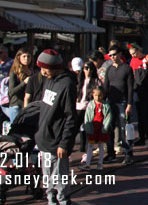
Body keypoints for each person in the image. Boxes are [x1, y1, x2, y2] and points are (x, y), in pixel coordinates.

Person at [35, 49, 77, 205]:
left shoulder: (67, 84)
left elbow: (70, 117)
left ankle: (63, 200)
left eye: (44, 68)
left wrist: (64, 143)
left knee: (59, 177)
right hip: (44, 138)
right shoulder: (48, 80)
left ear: (53, 67)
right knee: (47, 177)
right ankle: (51, 200)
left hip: (57, 141)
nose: (42, 72)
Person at [103, 45, 134, 164]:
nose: (112, 57)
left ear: (120, 54)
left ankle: (128, 152)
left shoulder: (126, 68)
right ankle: (111, 153)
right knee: (108, 128)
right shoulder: (109, 69)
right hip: (110, 102)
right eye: (110, 55)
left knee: (124, 129)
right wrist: (102, 102)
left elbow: (130, 88)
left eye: (114, 54)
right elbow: (106, 87)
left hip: (122, 101)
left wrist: (129, 104)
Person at [128, 44, 148, 148]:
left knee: (146, 114)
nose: (133, 56)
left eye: (134, 53)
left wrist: (143, 72)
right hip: (137, 88)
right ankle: (141, 137)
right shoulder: (133, 60)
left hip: (146, 88)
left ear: (139, 50)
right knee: (139, 114)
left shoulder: (147, 57)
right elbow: (130, 72)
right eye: (131, 54)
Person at [79, 87, 111, 171]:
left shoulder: (106, 105)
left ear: (103, 95)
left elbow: (108, 117)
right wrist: (87, 127)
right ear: (93, 95)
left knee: (101, 146)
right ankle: (87, 163)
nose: (98, 97)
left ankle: (100, 164)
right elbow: (87, 117)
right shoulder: (90, 105)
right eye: (96, 95)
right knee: (90, 146)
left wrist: (105, 128)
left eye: (100, 95)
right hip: (93, 128)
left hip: (101, 129)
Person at [76, 61, 102, 156]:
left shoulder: (96, 81)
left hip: (89, 108)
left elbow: (100, 94)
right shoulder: (79, 80)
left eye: (90, 68)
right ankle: (81, 148)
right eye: (86, 68)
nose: (88, 70)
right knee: (78, 128)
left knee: (88, 129)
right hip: (78, 107)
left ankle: (87, 152)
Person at [0, 45, 14, 134]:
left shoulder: (11, 63)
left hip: (6, 93)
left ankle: (14, 129)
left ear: (6, 53)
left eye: (1, 52)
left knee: (9, 112)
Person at [7, 48, 33, 123]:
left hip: (29, 105)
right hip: (16, 105)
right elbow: (11, 92)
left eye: (28, 56)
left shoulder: (32, 71)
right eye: (24, 56)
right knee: (16, 130)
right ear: (19, 58)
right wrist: (24, 82)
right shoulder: (14, 72)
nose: (26, 59)